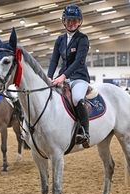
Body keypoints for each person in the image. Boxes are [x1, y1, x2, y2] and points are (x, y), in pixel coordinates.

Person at [47, 4, 90, 148]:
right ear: (64, 21)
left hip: (79, 77)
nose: (71, 23)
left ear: (79, 22)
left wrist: (63, 76)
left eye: (75, 20)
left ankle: (84, 131)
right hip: (62, 77)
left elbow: (79, 61)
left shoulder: (82, 39)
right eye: (68, 20)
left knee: (77, 98)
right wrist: (49, 76)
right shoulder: (59, 39)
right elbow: (54, 60)